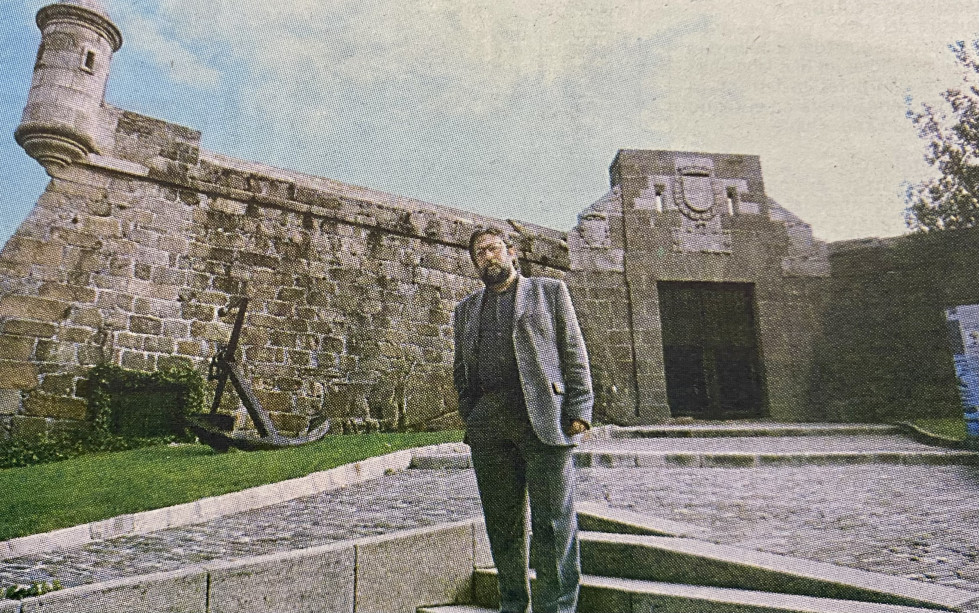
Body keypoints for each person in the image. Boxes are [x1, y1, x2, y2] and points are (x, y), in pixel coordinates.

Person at [453, 228, 593, 613]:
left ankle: (557, 608)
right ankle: (512, 605)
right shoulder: (465, 310)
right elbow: (461, 372)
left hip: (544, 420)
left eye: (493, 249)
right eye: (479, 254)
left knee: (553, 525)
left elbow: (573, 350)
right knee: (503, 526)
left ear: (511, 253)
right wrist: (472, 415)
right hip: (489, 429)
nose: (487, 257)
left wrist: (579, 409)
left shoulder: (549, 293)